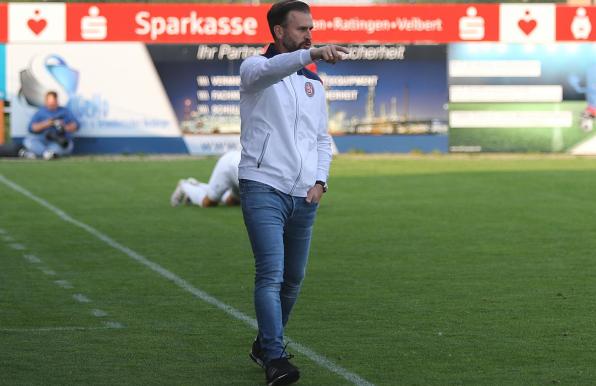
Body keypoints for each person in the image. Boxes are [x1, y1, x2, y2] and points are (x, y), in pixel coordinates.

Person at [238, 1, 347, 384]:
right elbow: (273, 69)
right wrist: (311, 53)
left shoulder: (313, 82)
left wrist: (320, 182)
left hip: (304, 196)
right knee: (270, 274)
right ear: (279, 32)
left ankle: (264, 344)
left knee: (293, 279)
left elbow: (321, 138)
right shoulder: (254, 68)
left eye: (311, 29)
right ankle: (276, 359)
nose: (309, 34)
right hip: (262, 186)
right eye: (301, 29)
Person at [170, 150, 241, 207]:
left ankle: (198, 185)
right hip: (227, 166)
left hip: (238, 174)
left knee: (232, 202)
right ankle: (185, 186)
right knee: (208, 202)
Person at [21, 91, 79, 160]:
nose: (51, 104)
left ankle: (39, 154)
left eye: (53, 102)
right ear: (46, 101)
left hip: (58, 140)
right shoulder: (41, 112)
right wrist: (47, 123)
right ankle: (47, 154)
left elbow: (76, 125)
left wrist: (64, 127)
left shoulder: (65, 111)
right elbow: (31, 128)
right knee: (28, 141)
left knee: (66, 146)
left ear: (57, 101)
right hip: (43, 139)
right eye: (49, 102)